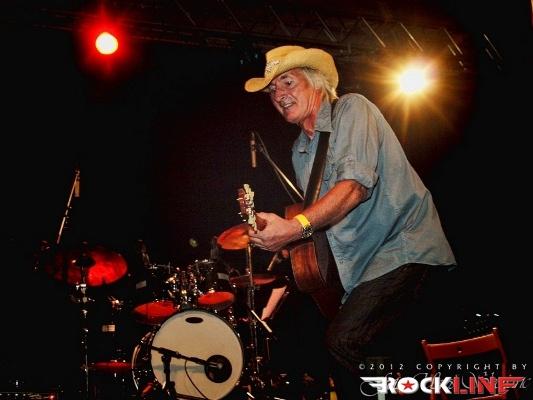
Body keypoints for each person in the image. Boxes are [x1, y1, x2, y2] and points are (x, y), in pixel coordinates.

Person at [244, 45, 457, 399]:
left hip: (403, 249)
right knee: (346, 365)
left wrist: (294, 228)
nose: (279, 95)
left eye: (287, 82)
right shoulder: (299, 152)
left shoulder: (352, 109)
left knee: (343, 341)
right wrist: (285, 238)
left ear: (315, 82)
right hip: (362, 272)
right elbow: (323, 218)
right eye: (272, 90)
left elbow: (355, 187)